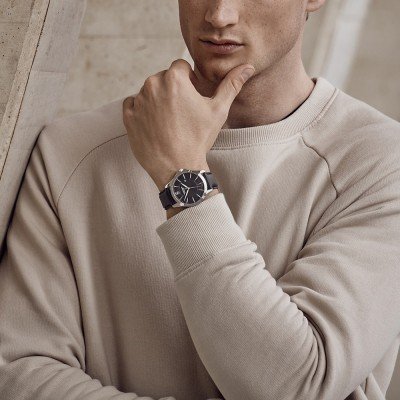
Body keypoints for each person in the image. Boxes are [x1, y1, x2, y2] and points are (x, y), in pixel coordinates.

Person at [0, 0, 399, 399]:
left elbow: (299, 385)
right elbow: (20, 375)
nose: (219, 15)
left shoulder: (379, 164)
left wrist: (182, 176)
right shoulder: (68, 153)